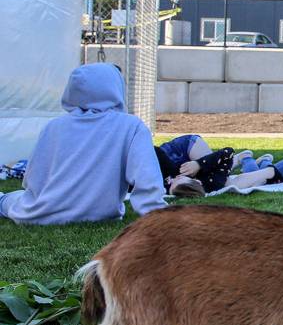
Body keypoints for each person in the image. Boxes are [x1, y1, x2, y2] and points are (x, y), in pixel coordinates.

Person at [0, 63, 165, 225]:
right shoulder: (131, 126)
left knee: (9, 199)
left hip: (39, 213)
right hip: (100, 215)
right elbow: (147, 180)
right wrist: (159, 217)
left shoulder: (54, 126)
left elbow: (33, 180)